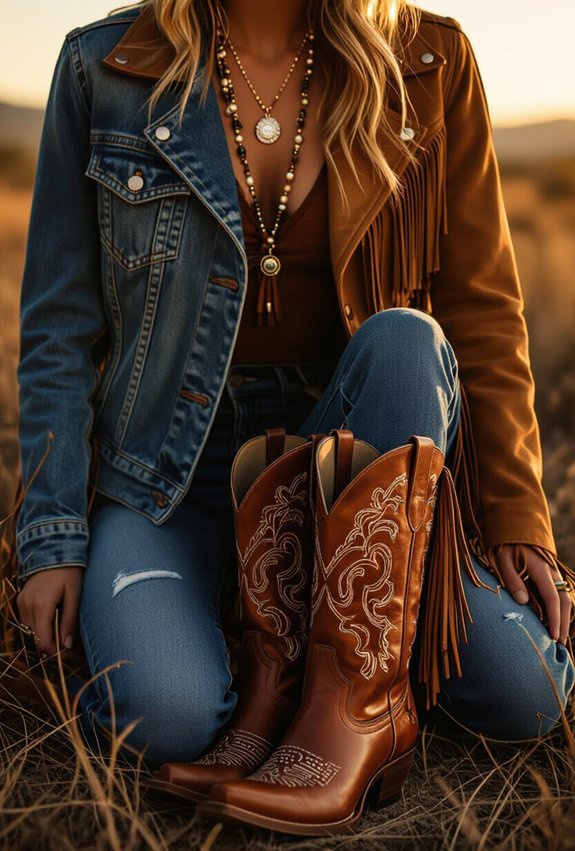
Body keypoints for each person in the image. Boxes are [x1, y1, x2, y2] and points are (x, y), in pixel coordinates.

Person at [4, 0, 574, 798]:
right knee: (164, 712)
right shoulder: (104, 66)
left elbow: (480, 307)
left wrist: (516, 512)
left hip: (355, 455)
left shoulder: (428, 61)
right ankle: (271, 645)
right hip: (168, 467)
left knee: (526, 691)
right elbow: (59, 329)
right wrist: (53, 538)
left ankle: (350, 694)